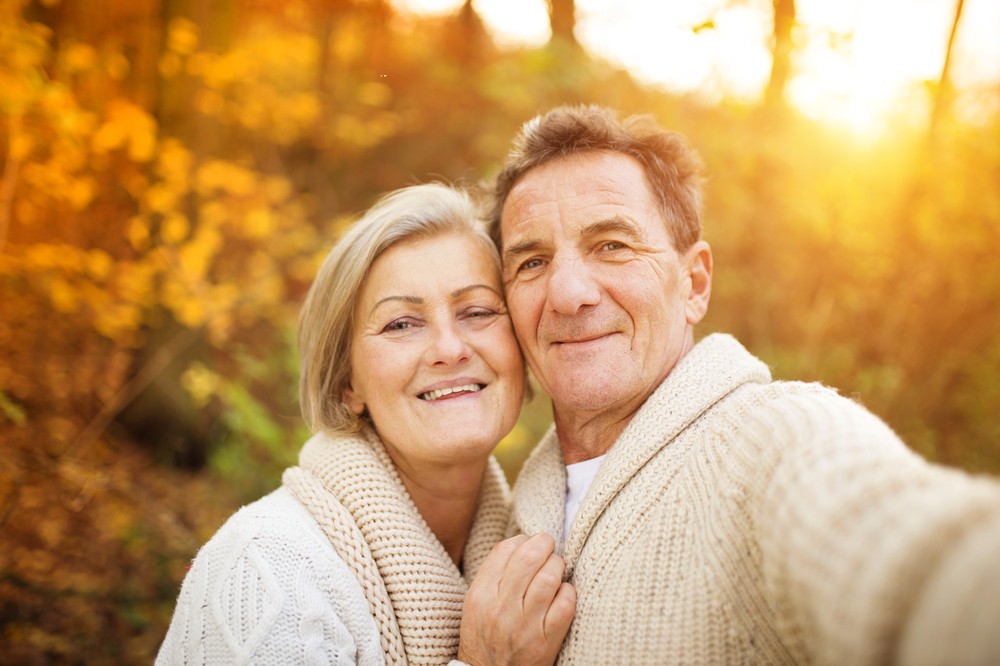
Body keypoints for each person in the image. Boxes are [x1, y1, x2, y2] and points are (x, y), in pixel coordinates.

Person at [457, 105, 1000, 665]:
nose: (568, 293)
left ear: (693, 283)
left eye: (612, 246)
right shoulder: (512, 509)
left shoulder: (777, 437)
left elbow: (915, 563)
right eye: (531, 262)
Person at [156, 183, 574, 665]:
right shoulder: (267, 562)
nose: (449, 349)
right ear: (347, 383)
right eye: (401, 324)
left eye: (477, 312)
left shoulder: (529, 549)